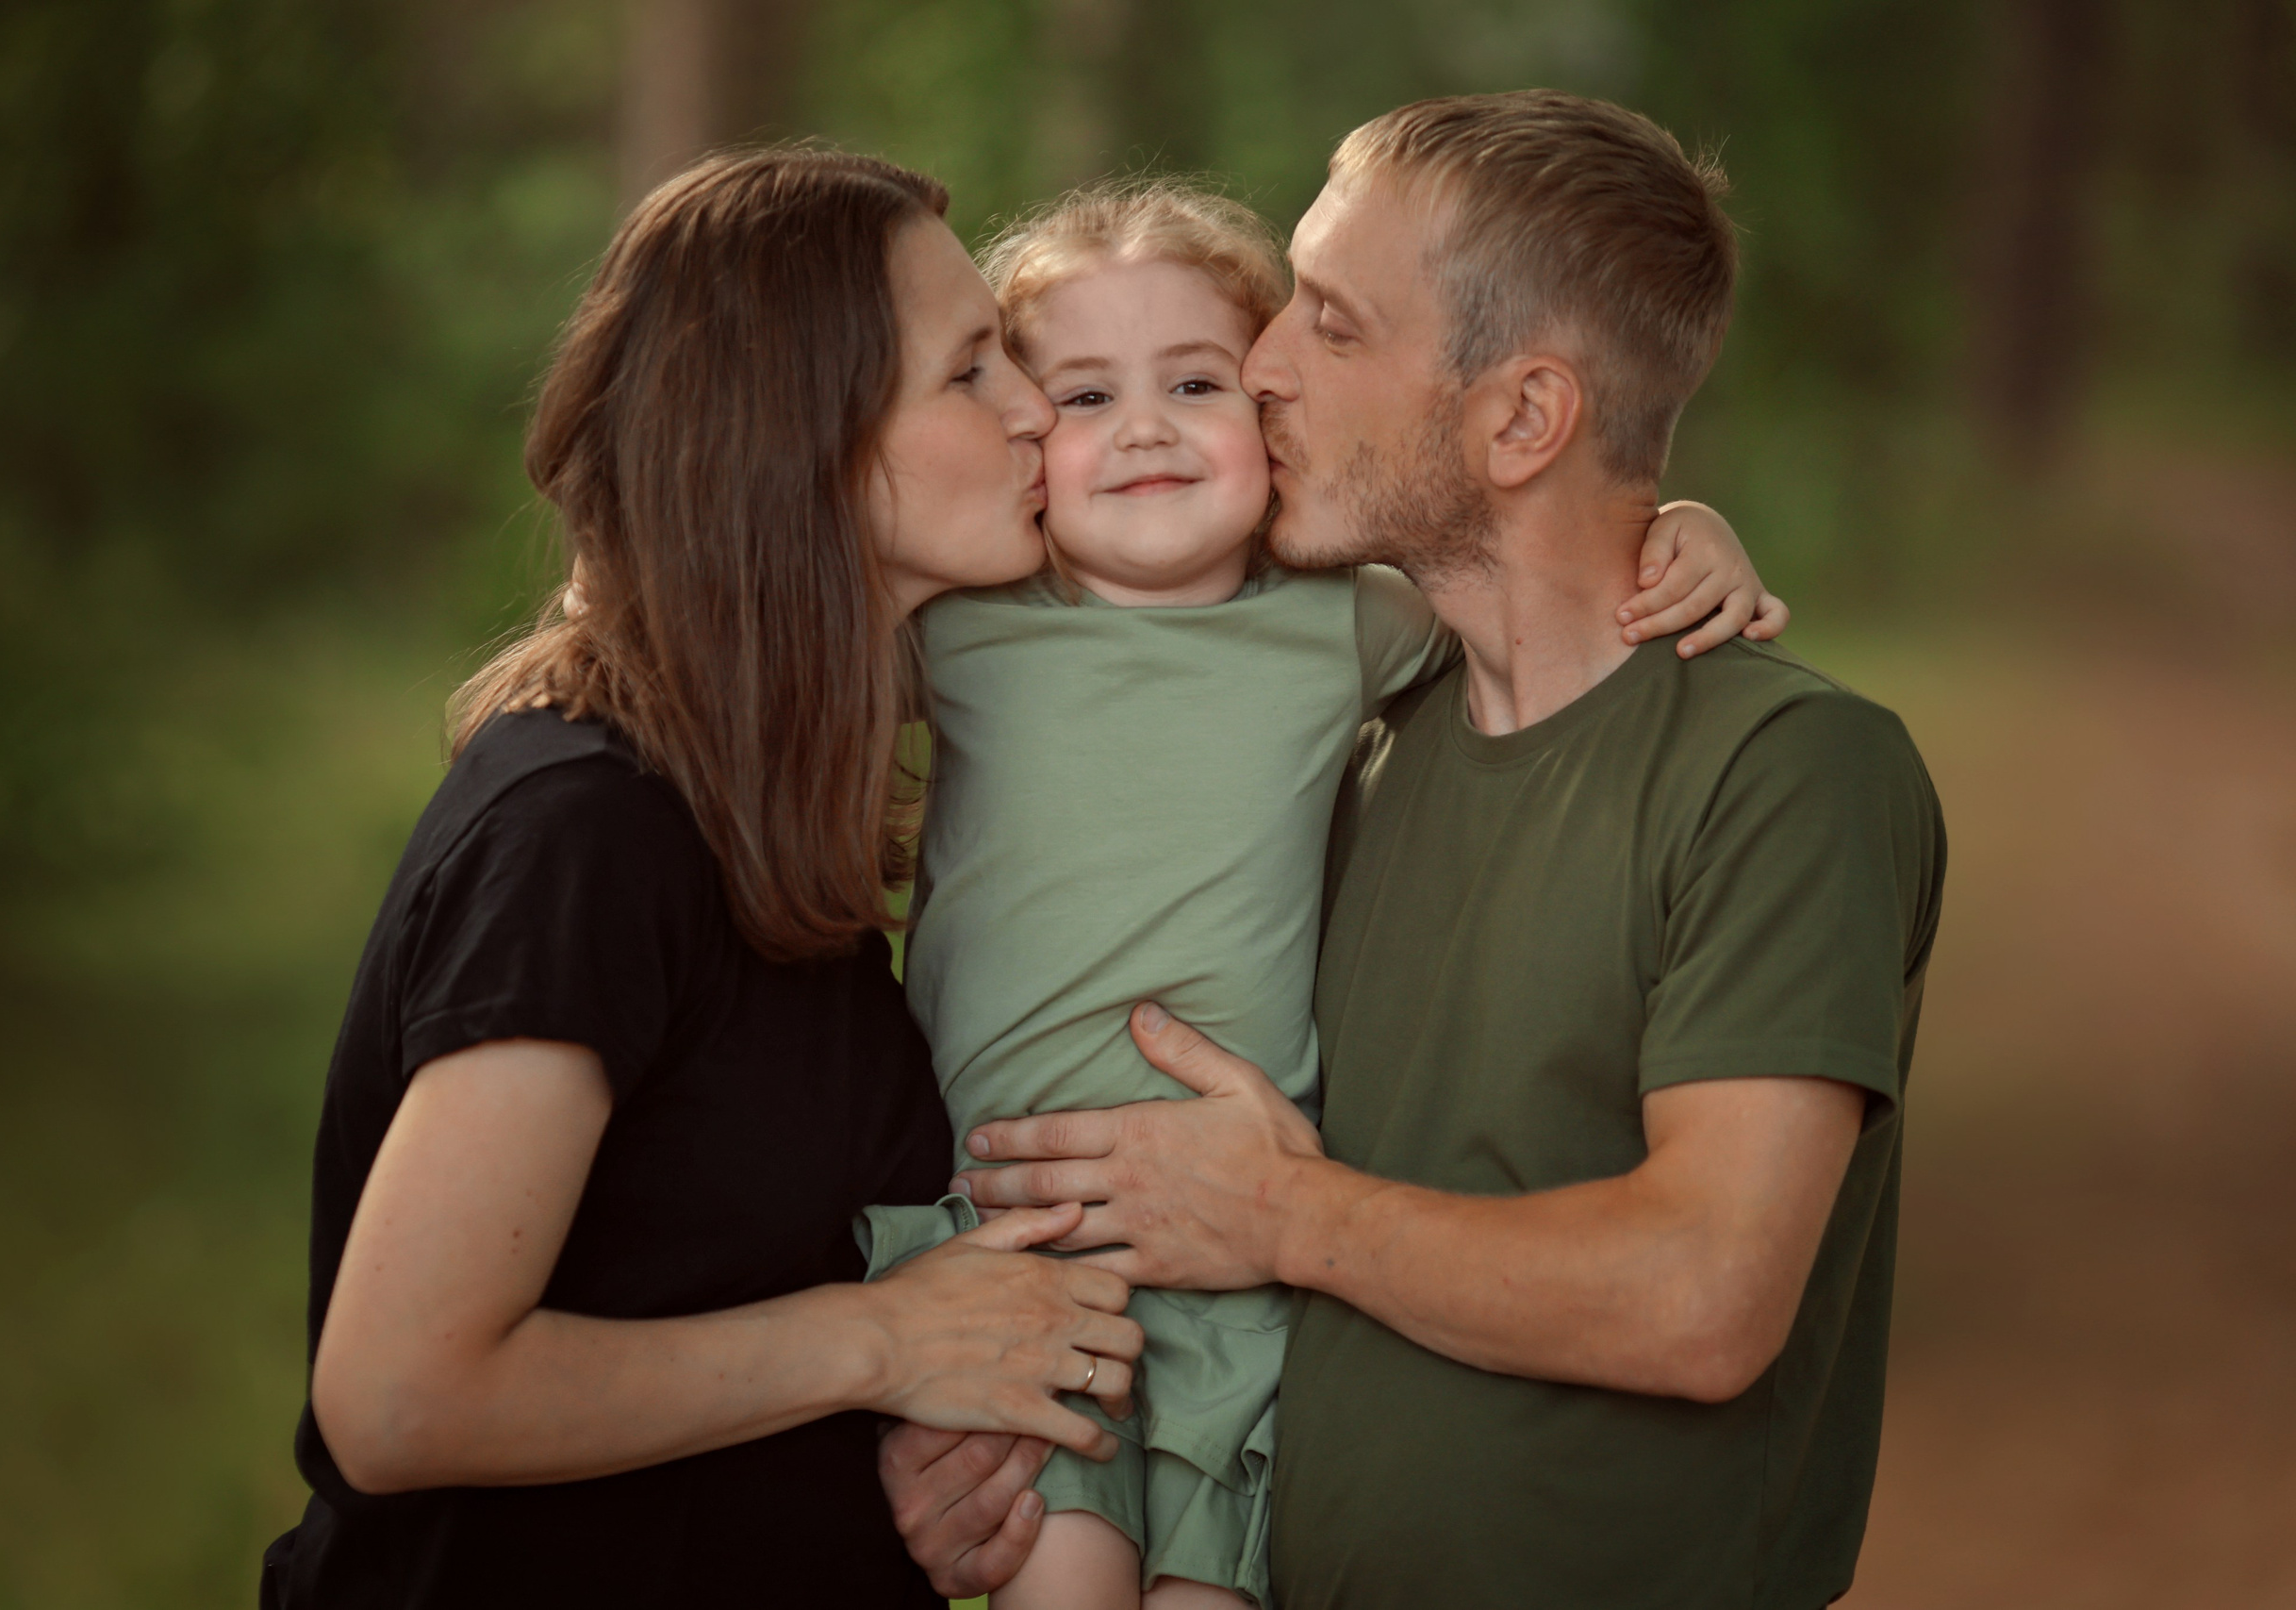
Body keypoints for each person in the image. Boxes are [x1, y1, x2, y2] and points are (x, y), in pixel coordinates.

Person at [889, 91, 1947, 1610]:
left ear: (1522, 419)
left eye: (1327, 323)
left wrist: (1281, 1216)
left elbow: (1703, 1298)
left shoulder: (1785, 771)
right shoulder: (1369, 741)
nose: (1258, 367)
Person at [258, 147, 1146, 1610]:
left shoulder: (765, 808)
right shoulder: (587, 834)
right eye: (972, 370)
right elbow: (403, 1396)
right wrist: (887, 1344)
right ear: (811, 443)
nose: (1035, 410)